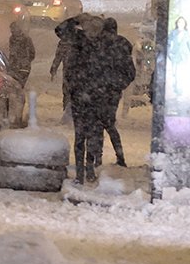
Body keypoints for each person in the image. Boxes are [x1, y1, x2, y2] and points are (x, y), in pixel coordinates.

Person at [58, 14, 107, 185]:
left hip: (89, 95)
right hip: (86, 95)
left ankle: (87, 169)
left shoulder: (93, 44)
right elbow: (59, 30)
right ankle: (85, 170)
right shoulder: (83, 42)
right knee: (85, 135)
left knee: (86, 135)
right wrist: (76, 19)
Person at [97, 17, 135, 168]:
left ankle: (98, 157)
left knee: (99, 124)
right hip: (112, 91)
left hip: (100, 90)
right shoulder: (121, 46)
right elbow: (130, 72)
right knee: (108, 124)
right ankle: (119, 156)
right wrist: (119, 85)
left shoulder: (100, 45)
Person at [166, 16, 190, 97]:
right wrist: (169, 53)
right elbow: (168, 44)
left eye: (182, 22)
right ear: (177, 23)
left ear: (185, 24)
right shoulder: (173, 33)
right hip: (174, 56)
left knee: (180, 73)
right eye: (179, 22)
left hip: (183, 57)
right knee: (174, 73)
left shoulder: (187, 34)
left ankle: (180, 90)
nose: (181, 23)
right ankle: (175, 88)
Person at [5, 20, 36, 88]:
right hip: (14, 67)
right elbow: (12, 52)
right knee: (13, 86)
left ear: (18, 28)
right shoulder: (12, 38)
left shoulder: (26, 39)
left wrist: (25, 61)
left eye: (13, 29)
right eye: (11, 29)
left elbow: (32, 53)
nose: (12, 31)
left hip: (22, 67)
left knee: (18, 85)